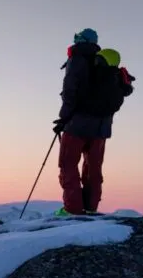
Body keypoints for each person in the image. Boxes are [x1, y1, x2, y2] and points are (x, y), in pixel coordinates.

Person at [52, 28, 134, 216]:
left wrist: (63, 118)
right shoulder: (105, 63)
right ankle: (91, 207)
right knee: (93, 168)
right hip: (102, 127)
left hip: (77, 123)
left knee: (68, 164)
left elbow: (70, 91)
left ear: (81, 40)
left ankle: (72, 209)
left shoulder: (77, 59)